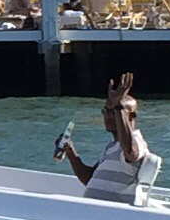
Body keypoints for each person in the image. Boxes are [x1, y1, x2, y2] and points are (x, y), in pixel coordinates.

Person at [55, 70, 152, 200]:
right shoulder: (112, 147)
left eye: (113, 111)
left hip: (107, 210)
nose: (108, 116)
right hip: (93, 208)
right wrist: (72, 154)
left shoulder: (135, 141)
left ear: (131, 116)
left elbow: (131, 152)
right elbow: (90, 180)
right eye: (106, 111)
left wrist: (119, 106)